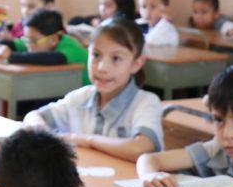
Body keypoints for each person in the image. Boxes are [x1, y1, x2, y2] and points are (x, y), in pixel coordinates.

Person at [23, 18, 163, 162]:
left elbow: (141, 148)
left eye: (116, 58)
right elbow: (33, 116)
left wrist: (88, 140)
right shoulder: (81, 97)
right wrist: (42, 131)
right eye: (96, 55)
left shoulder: (145, 102)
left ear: (136, 64)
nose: (102, 68)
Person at [0, 9, 90, 85]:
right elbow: (13, 43)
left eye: (33, 41)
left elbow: (53, 58)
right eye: (27, 39)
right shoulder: (33, 42)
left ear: (53, 39)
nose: (28, 45)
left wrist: (11, 56)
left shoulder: (72, 46)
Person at [67, 0, 137, 29]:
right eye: (101, 4)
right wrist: (93, 23)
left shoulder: (129, 26)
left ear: (122, 8)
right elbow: (73, 21)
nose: (102, 9)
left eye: (108, 5)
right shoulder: (98, 20)